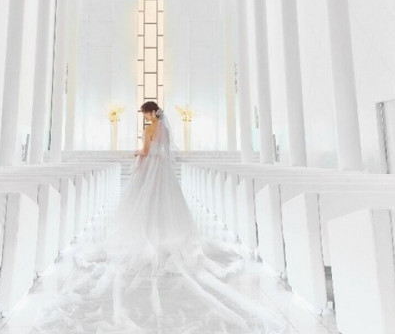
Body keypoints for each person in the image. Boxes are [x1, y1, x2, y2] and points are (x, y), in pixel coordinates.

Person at [34, 101, 286, 333]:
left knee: (146, 203)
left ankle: (148, 238)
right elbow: (163, 151)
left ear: (152, 112)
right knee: (163, 203)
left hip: (150, 169)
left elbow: (146, 150)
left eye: (145, 113)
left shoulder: (150, 128)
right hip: (163, 171)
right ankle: (162, 236)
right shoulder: (163, 128)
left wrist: (137, 153)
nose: (144, 117)